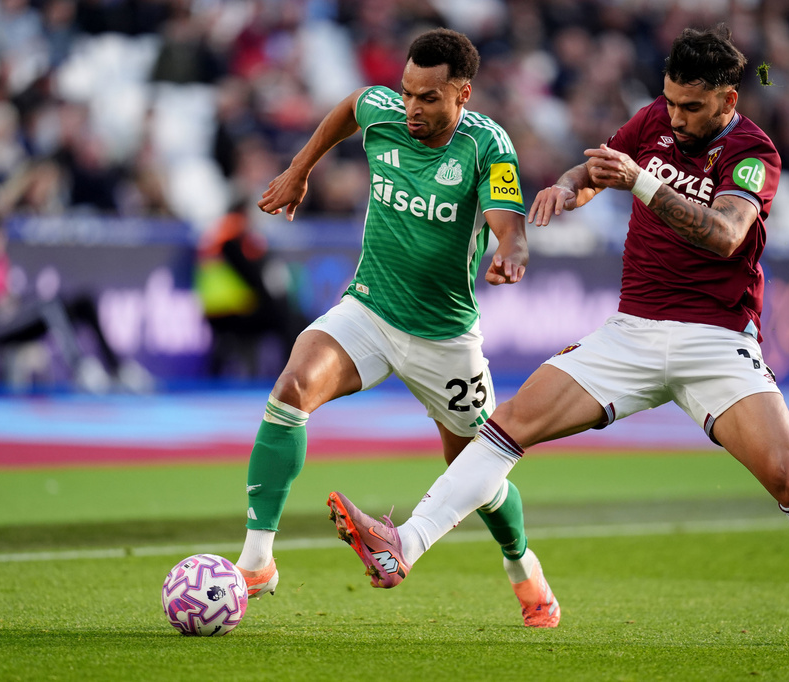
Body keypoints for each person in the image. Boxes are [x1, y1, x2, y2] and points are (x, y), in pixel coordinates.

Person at [327, 25, 789, 648]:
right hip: (631, 334)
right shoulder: (653, 120)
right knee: (507, 424)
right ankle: (402, 545)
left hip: (716, 341)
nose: (677, 116)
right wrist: (567, 188)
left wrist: (638, 179)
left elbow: (724, 234)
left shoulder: (754, 152)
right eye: (670, 100)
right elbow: (596, 169)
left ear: (728, 100)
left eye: (692, 106)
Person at [239, 28, 561, 627]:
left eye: (429, 98)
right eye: (408, 93)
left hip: (446, 339)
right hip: (369, 309)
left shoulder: (487, 144)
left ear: (461, 94)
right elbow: (348, 108)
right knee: (290, 392)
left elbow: (505, 216)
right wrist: (300, 168)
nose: (412, 107)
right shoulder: (382, 112)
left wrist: (511, 249)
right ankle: (257, 562)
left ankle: (522, 565)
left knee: (476, 475)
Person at [0, 205, 153, 393]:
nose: (0, 239)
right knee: (48, 307)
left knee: (81, 302)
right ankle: (80, 368)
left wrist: (14, 302)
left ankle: (117, 368)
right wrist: (6, 304)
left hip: (9, 321)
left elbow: (8, 298)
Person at [195, 199, 306, 378]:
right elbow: (254, 280)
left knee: (283, 313)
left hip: (216, 310)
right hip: (234, 310)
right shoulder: (232, 240)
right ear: (243, 214)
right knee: (286, 318)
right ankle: (291, 376)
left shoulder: (216, 236)